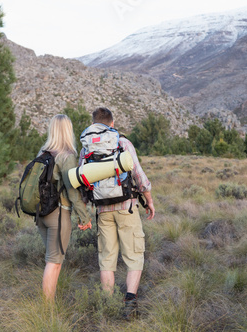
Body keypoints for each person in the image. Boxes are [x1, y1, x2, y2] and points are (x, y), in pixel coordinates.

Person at [78, 107, 155, 319]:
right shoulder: (122, 142)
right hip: (127, 206)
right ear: (112, 122)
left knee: (107, 258)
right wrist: (149, 200)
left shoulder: (86, 148)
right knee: (134, 255)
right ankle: (130, 301)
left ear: (93, 123)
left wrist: (84, 210)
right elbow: (139, 175)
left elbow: (82, 182)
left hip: (102, 210)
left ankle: (108, 304)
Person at [36, 114, 91, 301]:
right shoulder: (66, 156)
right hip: (58, 215)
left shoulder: (42, 153)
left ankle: (49, 302)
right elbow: (72, 191)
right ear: (68, 131)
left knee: (51, 260)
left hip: (41, 214)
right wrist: (84, 216)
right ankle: (47, 309)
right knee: (54, 263)